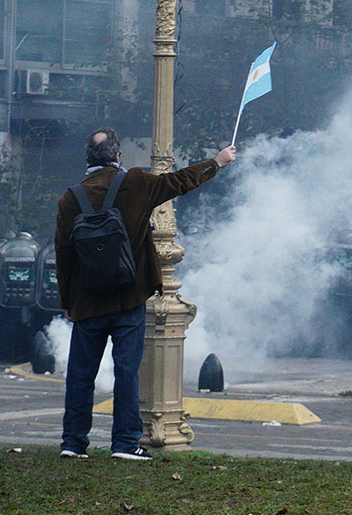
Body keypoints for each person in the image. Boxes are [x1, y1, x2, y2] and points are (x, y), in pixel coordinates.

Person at [55, 127, 236, 460]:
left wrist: (67, 302)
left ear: (87, 159)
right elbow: (180, 181)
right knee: (127, 371)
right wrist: (217, 162)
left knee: (81, 374)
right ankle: (124, 444)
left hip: (87, 301)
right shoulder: (136, 183)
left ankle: (73, 442)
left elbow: (63, 256)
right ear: (117, 156)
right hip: (129, 297)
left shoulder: (70, 198)